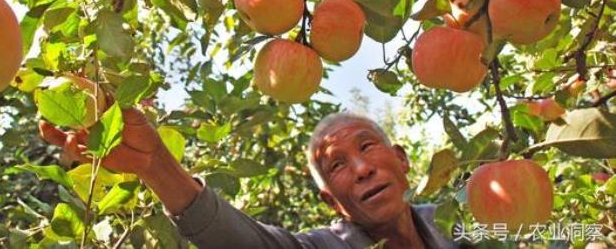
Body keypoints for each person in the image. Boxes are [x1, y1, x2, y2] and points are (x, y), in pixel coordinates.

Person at [40, 109, 460, 248]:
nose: (362, 169)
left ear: (402, 160)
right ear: (331, 201)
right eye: (337, 166)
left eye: (367, 147)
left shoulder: (459, 221)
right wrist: (155, 165)